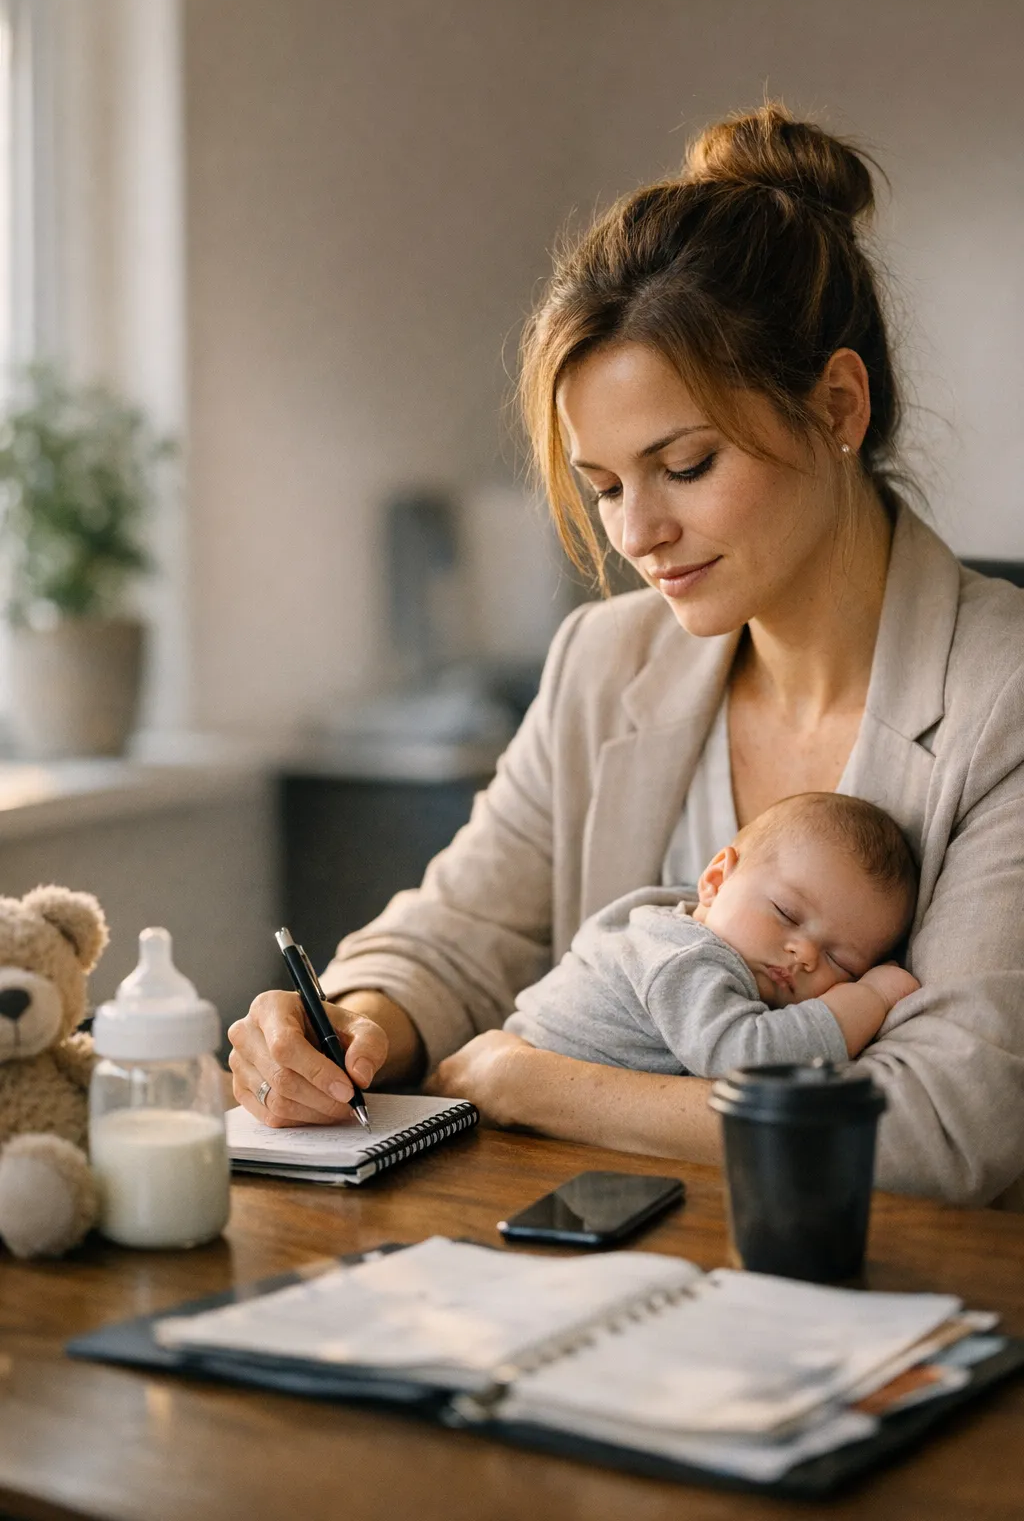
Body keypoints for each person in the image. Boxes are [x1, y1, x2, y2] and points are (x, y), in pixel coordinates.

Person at [228, 102, 1024, 1206]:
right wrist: (350, 1023)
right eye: (603, 486)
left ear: (837, 404)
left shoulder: (1003, 700)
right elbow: (462, 932)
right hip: (603, 1276)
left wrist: (536, 1084)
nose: (636, 535)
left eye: (685, 465)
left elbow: (945, 1130)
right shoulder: (606, 661)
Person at [504, 792, 920, 1077]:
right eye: (786, 913)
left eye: (840, 962)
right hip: (514, 1130)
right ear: (716, 880)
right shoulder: (684, 956)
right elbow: (745, 1060)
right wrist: (871, 997)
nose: (805, 954)